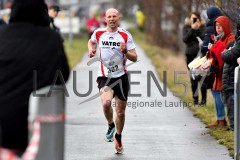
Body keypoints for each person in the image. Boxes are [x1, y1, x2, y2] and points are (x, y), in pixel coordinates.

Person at [0, 0, 69, 156]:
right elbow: (63, 75)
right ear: (43, 11)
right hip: (36, 125)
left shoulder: (2, 35)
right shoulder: (52, 38)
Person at [88, 8, 137, 154]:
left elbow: (134, 57)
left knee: (120, 112)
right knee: (106, 102)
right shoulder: (98, 33)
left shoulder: (125, 35)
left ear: (118, 18)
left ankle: (118, 136)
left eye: (114, 16)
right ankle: (110, 125)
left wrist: (125, 52)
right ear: (105, 19)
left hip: (121, 76)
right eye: (109, 16)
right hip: (104, 76)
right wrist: (91, 50)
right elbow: (91, 42)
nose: (111, 19)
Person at [207, 16, 235, 128]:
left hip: (226, 71)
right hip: (218, 71)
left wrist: (215, 47)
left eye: (220, 26)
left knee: (222, 94)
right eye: (216, 26)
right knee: (215, 91)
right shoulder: (219, 38)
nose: (218, 29)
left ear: (226, 26)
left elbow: (226, 52)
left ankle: (224, 121)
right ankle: (220, 119)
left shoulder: (231, 38)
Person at [182, 11, 206, 105]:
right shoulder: (186, 27)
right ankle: (195, 100)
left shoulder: (203, 27)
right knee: (193, 78)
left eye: (196, 18)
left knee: (202, 77)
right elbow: (185, 39)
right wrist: (192, 29)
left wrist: (198, 28)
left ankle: (203, 101)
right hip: (191, 55)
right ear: (189, 19)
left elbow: (204, 38)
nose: (194, 20)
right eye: (193, 18)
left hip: (201, 56)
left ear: (199, 19)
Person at [221, 21, 240, 131]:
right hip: (230, 79)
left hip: (232, 80)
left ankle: (235, 130)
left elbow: (231, 55)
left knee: (232, 105)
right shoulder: (235, 42)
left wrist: (224, 53)